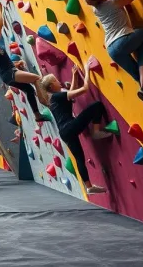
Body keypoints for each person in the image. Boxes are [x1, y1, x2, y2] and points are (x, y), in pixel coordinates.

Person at [82, 0, 143, 112]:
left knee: (137, 74)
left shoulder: (96, 10)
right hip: (123, 40)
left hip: (112, 50)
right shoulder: (113, 3)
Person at [39, 64, 110, 195]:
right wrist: (87, 70)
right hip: (69, 127)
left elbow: (71, 94)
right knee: (97, 105)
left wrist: (74, 76)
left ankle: (88, 187)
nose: (58, 81)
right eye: (55, 81)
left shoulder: (54, 98)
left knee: (79, 158)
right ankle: (95, 132)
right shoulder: (57, 97)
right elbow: (85, 89)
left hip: (65, 133)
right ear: (51, 87)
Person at [0, 2, 45, 116]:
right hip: (10, 73)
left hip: (7, 75)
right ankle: (45, 100)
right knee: (36, 79)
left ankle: (37, 115)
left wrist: (16, 63)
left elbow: (2, 62)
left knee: (28, 89)